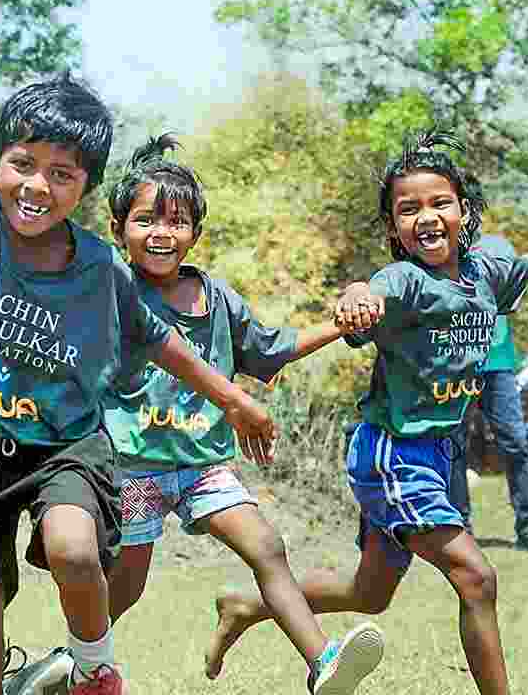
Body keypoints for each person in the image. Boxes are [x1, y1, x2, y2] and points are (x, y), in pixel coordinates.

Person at [0, 77, 280, 695]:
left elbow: (152, 337)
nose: (38, 186)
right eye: (23, 165)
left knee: (72, 547)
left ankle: (94, 670)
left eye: (62, 174)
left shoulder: (97, 265)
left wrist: (234, 397)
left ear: (85, 187)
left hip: (61, 438)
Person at [202, 130, 528, 695]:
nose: (427, 217)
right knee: (476, 576)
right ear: (393, 227)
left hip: (438, 452)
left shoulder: (485, 268)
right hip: (393, 455)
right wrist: (353, 295)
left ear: (464, 211)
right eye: (408, 209)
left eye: (440, 202)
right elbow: (369, 289)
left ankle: (248, 604)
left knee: (371, 593)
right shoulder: (406, 280)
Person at [97, 134, 384, 695]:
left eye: (176, 222)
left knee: (267, 547)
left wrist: (340, 326)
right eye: (145, 220)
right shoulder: (111, 290)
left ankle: (322, 661)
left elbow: (272, 348)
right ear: (118, 230)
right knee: (127, 584)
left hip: (204, 464)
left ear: (195, 235)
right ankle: (80, 659)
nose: (161, 233)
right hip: (134, 469)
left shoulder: (215, 297)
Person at [446, 234, 528, 554]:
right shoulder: (446, 256)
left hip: (498, 365)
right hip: (459, 367)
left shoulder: (498, 249)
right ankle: (461, 532)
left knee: (516, 444)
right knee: (455, 446)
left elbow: (518, 289)